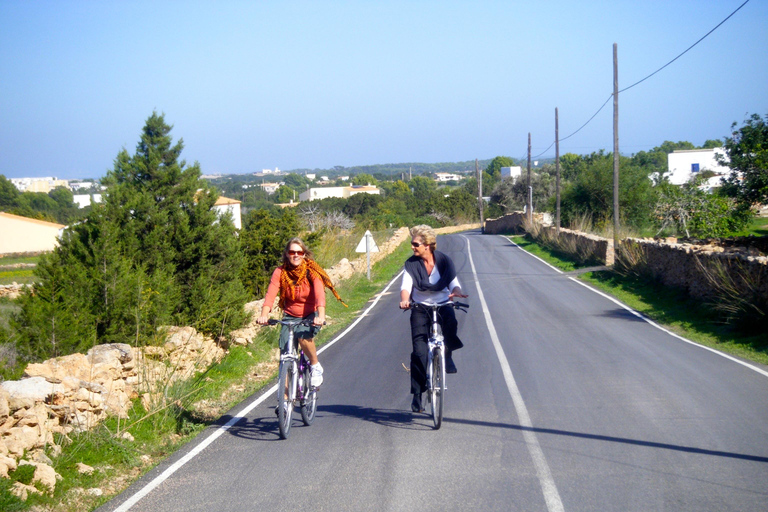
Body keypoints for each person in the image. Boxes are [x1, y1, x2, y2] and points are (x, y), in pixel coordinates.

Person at [257, 238, 346, 391]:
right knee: (285, 355)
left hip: (310, 315)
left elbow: (319, 294)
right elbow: (270, 295)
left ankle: (315, 366)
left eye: (299, 252)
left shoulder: (312, 271)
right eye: (292, 252)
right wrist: (264, 315)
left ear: (304, 254)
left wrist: (321, 316)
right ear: (287, 254)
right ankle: (285, 400)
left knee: (303, 337)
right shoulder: (280, 272)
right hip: (290, 316)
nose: (296, 255)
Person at [399, 225, 468, 413]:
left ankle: (447, 353)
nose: (412, 247)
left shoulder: (444, 261)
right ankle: (417, 394)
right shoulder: (411, 264)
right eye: (412, 244)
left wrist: (456, 292)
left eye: (415, 244)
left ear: (427, 245)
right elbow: (406, 286)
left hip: (443, 303)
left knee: (451, 322)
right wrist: (405, 300)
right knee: (419, 353)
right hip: (420, 308)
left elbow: (453, 283)